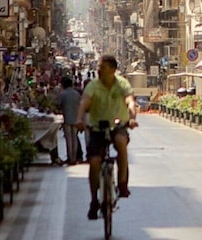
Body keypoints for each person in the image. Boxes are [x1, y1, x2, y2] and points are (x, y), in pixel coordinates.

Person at [77, 55, 140, 220]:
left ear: (113, 70)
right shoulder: (93, 85)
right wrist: (79, 119)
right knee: (95, 162)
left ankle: (122, 182)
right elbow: (84, 102)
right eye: (98, 67)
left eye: (102, 67)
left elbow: (130, 101)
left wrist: (132, 117)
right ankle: (93, 200)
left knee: (121, 143)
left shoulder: (122, 84)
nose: (99, 70)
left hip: (118, 126)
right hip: (97, 127)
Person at [57, 80, 85, 164]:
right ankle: (74, 158)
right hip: (76, 119)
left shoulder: (63, 94)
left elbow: (58, 104)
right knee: (75, 139)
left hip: (67, 119)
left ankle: (70, 158)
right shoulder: (77, 94)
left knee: (68, 140)